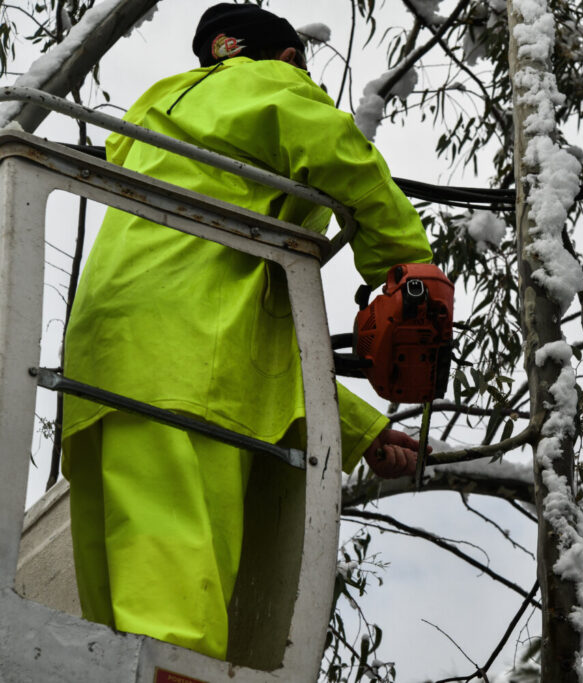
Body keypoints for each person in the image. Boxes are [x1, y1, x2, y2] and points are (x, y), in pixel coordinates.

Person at [60, 4, 432, 661]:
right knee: (174, 627)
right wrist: (408, 267)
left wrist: (358, 430)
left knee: (115, 630)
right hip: (186, 377)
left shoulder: (160, 130)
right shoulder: (271, 85)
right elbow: (339, 153)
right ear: (285, 57)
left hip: (99, 363)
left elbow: (247, 327)